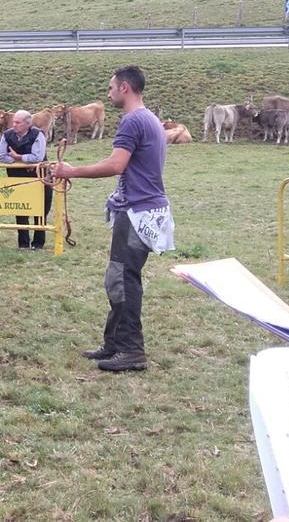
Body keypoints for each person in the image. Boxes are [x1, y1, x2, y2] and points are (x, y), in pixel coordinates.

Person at [54, 65, 173, 373]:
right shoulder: (150, 120)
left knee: (122, 279)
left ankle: (132, 350)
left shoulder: (133, 121)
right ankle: (115, 344)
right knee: (119, 277)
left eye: (110, 88)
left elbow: (116, 164)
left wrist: (72, 171)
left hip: (137, 211)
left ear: (125, 88)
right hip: (145, 209)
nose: (107, 93)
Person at [0, 110, 52, 250]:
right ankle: (23, 244)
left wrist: (18, 158)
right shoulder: (7, 135)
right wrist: (25, 161)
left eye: (17, 122)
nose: (14, 124)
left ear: (27, 124)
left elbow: (38, 157)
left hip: (39, 178)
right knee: (20, 210)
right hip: (17, 178)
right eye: (14, 121)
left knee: (40, 210)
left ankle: (38, 243)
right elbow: (1, 157)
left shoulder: (37, 135)